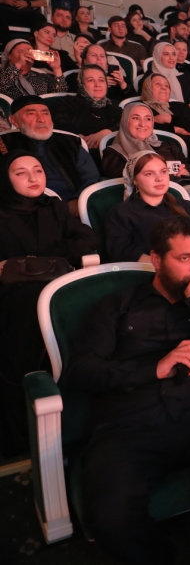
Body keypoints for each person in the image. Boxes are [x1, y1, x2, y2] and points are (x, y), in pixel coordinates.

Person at [61, 216, 190, 565]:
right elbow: (80, 372)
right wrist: (155, 368)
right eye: (184, 258)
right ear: (157, 260)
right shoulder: (117, 306)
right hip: (128, 429)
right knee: (110, 519)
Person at [0, 151, 99, 456]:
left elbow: (87, 238)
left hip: (57, 292)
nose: (33, 178)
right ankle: (25, 436)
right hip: (14, 302)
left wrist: (32, 262)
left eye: (38, 170)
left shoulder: (53, 206)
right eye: (21, 173)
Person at [104, 151, 190, 262]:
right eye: (149, 174)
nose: (159, 178)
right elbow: (121, 252)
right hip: (148, 273)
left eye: (163, 171)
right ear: (134, 179)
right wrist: (165, 265)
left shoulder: (184, 205)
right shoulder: (121, 212)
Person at [0, 95, 99, 212]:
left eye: (45, 113)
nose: (41, 119)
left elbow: (91, 177)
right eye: (31, 114)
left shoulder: (70, 141)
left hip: (74, 205)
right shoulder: (4, 144)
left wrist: (78, 200)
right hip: (25, 209)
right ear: (14, 121)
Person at [103, 102, 190, 187]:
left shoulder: (168, 146)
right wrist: (177, 180)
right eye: (136, 118)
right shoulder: (113, 154)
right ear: (125, 121)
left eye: (148, 119)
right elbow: (127, 185)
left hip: (184, 192)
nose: (143, 124)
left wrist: (187, 175)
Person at [1, 38, 66, 100]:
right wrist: (19, 64)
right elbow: (2, 85)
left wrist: (57, 68)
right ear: (9, 56)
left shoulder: (42, 77)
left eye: (30, 52)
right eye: (21, 51)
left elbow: (59, 94)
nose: (27, 54)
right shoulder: (2, 73)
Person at [141, 73, 190, 138]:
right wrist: (174, 129)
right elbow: (142, 126)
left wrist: (170, 118)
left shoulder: (180, 106)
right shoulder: (140, 107)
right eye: (157, 84)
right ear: (147, 88)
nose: (163, 87)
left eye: (167, 85)